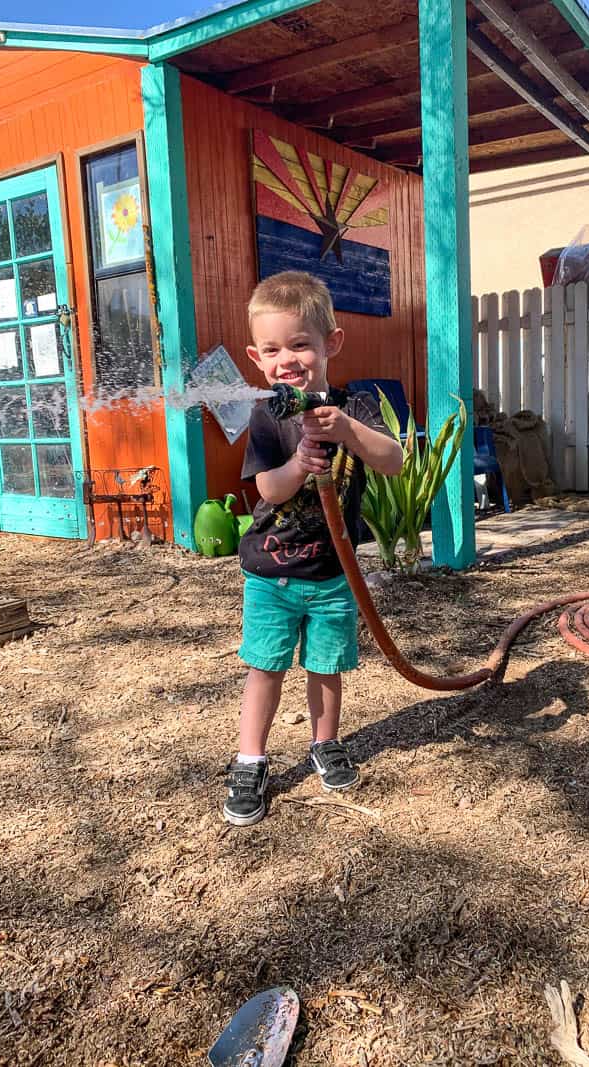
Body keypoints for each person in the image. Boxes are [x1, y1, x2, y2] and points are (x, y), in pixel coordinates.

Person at [224, 271, 404, 826]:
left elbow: (392, 459)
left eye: (301, 344)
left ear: (332, 344)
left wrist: (347, 429)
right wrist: (301, 463)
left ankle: (325, 742)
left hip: (333, 576)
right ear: (257, 358)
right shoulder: (267, 416)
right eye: (273, 349)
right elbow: (267, 489)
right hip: (272, 576)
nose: (288, 360)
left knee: (326, 668)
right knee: (266, 667)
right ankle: (250, 758)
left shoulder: (357, 406)